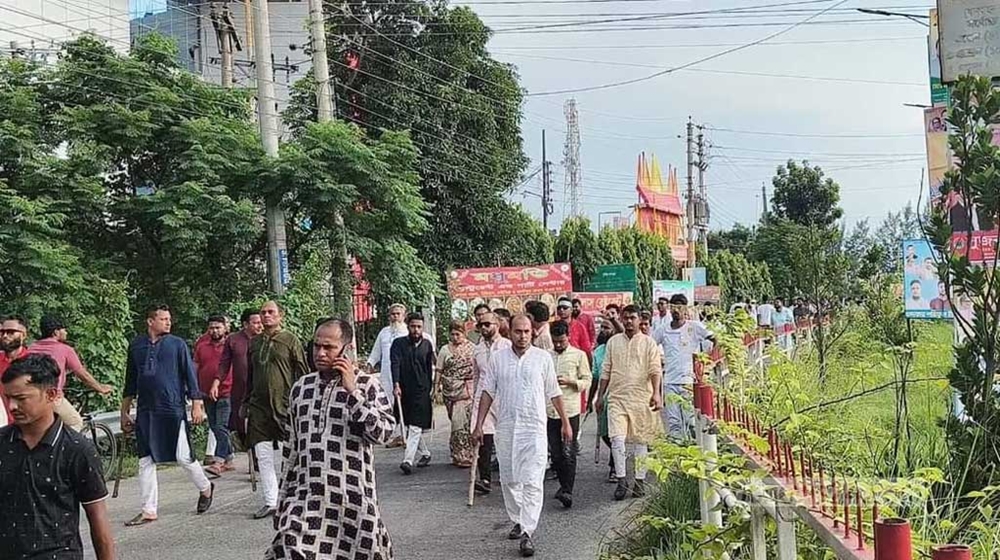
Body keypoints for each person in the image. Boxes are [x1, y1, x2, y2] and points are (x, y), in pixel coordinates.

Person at [266, 318, 396, 560]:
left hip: (352, 501)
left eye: (329, 347)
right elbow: (291, 450)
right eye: (316, 346)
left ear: (346, 349)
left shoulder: (367, 386)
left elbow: (384, 433)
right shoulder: (301, 389)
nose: (320, 353)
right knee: (289, 546)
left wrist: (352, 392)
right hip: (306, 499)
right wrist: (282, 501)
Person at [472, 315, 573, 558]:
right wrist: (478, 425)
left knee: (532, 480)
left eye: (527, 331)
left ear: (533, 332)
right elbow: (487, 392)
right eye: (518, 331)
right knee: (509, 479)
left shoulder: (542, 358)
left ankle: (528, 531)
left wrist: (565, 422)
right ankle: (518, 518)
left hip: (534, 428)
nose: (523, 336)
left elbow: (554, 392)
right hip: (505, 427)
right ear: (510, 332)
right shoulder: (498, 359)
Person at [0, 354, 116, 560]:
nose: (12, 407)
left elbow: (99, 522)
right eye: (8, 398)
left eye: (21, 398)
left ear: (51, 394)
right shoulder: (3, 443)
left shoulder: (77, 449)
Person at [121, 304, 214, 526]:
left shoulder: (177, 344)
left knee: (183, 456)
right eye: (163, 319)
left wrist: (197, 403)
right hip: (146, 410)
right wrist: (124, 412)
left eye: (169, 319)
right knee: (146, 459)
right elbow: (130, 382)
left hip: (172, 408)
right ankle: (148, 509)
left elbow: (190, 375)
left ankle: (206, 487)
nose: (168, 322)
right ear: (150, 321)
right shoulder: (137, 346)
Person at [244, 301, 310, 520]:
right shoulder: (254, 343)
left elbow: (302, 372)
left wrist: (303, 401)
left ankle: (293, 498)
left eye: (271, 312)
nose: (266, 315)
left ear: (281, 315)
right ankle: (271, 501)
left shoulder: (290, 340)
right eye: (263, 312)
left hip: (285, 405)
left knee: (288, 453)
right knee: (262, 454)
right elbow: (250, 376)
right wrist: (246, 403)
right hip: (259, 406)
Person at [594, 305, 663, 501]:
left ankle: (639, 481)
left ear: (640, 320)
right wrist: (600, 397)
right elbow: (605, 371)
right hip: (617, 398)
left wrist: (656, 394)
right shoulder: (614, 342)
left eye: (632, 318)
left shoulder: (649, 343)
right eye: (625, 318)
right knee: (617, 439)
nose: (628, 322)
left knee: (640, 441)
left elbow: (655, 370)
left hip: (642, 398)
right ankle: (622, 479)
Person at [27, 316, 113, 432]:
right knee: (75, 422)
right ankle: (64, 449)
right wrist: (100, 388)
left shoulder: (31, 348)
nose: (66, 332)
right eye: (64, 329)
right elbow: (83, 375)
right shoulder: (64, 349)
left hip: (30, 398)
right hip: (52, 397)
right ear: (56, 332)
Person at [367, 303, 433, 448]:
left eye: (398, 314)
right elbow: (376, 353)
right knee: (389, 406)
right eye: (392, 314)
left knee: (406, 407)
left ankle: (407, 436)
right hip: (387, 376)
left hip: (406, 379)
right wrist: (370, 365)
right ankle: (398, 435)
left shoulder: (409, 332)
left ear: (404, 316)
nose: (395, 317)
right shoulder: (384, 332)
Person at [654, 294, 715, 441]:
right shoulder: (662, 330)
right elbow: (650, 345)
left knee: (690, 421)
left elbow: (713, 338)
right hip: (670, 381)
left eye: (680, 308)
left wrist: (707, 360)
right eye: (674, 307)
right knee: (674, 422)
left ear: (685, 309)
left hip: (689, 381)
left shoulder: (694, 327)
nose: (676, 311)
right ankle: (678, 454)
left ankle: (696, 448)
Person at [547, 320, 591, 508]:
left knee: (569, 452)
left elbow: (587, 379)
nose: (558, 345)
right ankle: (563, 485)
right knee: (555, 454)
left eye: (561, 342)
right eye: (555, 341)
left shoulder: (578, 355)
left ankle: (567, 491)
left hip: (571, 409)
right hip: (550, 410)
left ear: (568, 338)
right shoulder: (546, 356)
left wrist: (571, 382)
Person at [471, 311, 512, 495]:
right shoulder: (477, 349)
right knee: (482, 435)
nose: (485, 328)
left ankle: (508, 475)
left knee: (503, 437)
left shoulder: (507, 346)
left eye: (488, 324)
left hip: (503, 396)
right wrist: (475, 397)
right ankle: (485, 478)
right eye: (481, 325)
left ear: (497, 324)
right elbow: (476, 376)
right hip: (483, 396)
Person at [392, 312, 436, 474]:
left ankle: (407, 460)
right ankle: (425, 453)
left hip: (422, 390)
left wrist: (431, 388)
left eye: (419, 327)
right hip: (404, 390)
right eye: (413, 326)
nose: (416, 330)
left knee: (416, 426)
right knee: (410, 425)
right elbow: (395, 364)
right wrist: (396, 384)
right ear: (408, 326)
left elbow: (428, 367)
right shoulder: (398, 344)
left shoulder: (427, 345)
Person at [213, 308, 262, 448]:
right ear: (245, 324)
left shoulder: (266, 339)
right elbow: (224, 364)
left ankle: (260, 462)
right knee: (241, 427)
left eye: (261, 322)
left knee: (261, 430)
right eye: (256, 323)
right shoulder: (233, 340)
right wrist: (216, 382)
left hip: (261, 392)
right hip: (240, 393)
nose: (260, 326)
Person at [194, 315, 234, 477]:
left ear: (225, 328)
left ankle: (218, 461)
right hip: (206, 392)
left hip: (227, 392)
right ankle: (229, 457)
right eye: (211, 327)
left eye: (218, 327)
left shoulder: (231, 345)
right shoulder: (202, 346)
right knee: (214, 425)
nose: (214, 330)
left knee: (221, 426)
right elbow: (195, 366)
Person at [437, 321, 477, 467]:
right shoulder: (444, 350)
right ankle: (457, 454)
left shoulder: (472, 349)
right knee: (455, 422)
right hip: (450, 391)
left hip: (466, 391)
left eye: (458, 334)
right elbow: (439, 370)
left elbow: (477, 369)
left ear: (464, 334)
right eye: (452, 334)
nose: (455, 337)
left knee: (461, 423)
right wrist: (436, 388)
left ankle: (466, 454)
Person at [592, 317, 621, 482]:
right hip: (604, 397)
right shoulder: (598, 351)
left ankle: (615, 465)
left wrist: (613, 320)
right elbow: (596, 377)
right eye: (602, 327)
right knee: (605, 434)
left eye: (607, 327)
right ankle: (619, 453)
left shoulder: (621, 347)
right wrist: (592, 399)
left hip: (619, 396)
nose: (604, 331)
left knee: (615, 432)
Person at [0, 315, 31, 426]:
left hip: (25, 423)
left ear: (24, 335)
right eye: (2, 332)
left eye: (10, 332)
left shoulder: (32, 362)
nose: (4, 336)